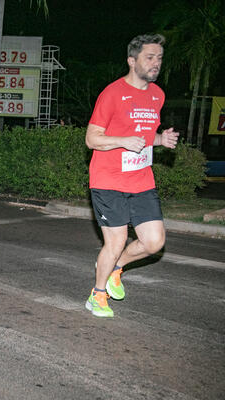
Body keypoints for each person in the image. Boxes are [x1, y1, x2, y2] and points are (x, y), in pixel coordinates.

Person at [84, 34, 179, 318]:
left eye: (159, 58)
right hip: (108, 180)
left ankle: (115, 268)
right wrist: (123, 140)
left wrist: (161, 140)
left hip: (141, 180)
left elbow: (145, 135)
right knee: (115, 242)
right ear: (131, 60)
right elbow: (92, 139)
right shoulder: (111, 93)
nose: (156, 63)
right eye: (149, 57)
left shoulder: (157, 95)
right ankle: (97, 295)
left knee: (154, 242)